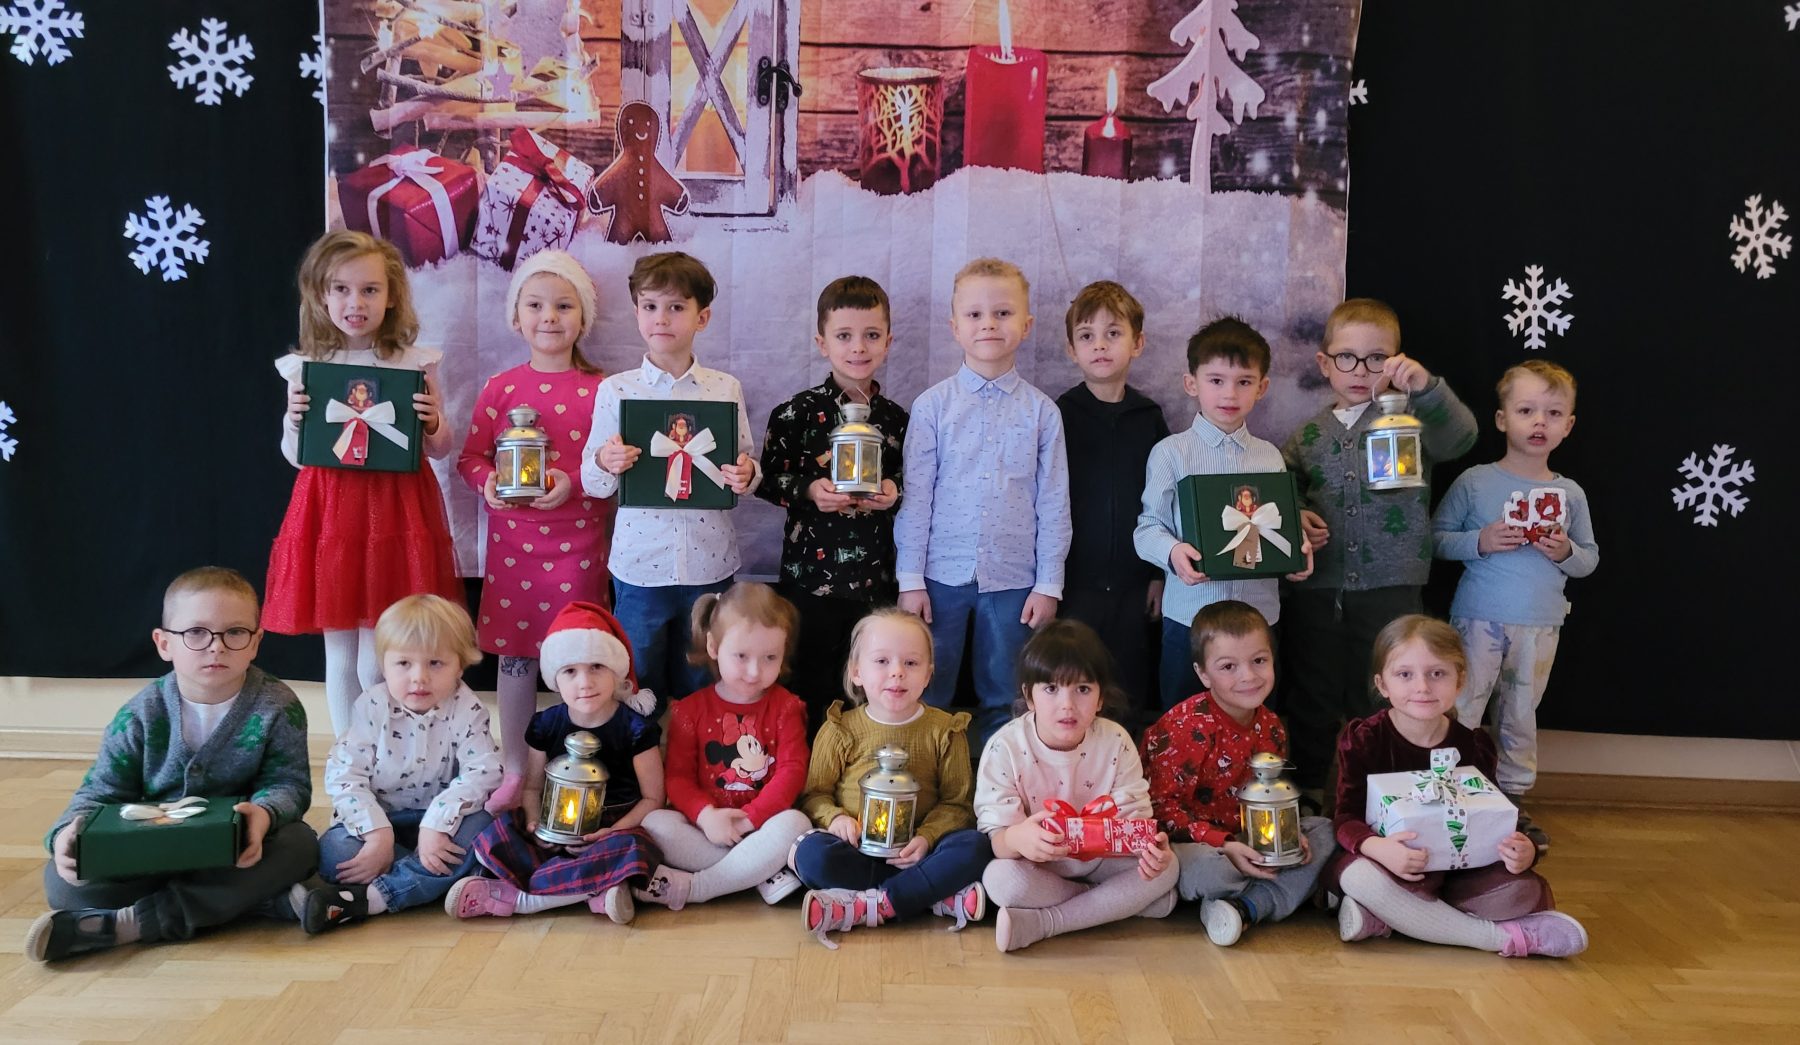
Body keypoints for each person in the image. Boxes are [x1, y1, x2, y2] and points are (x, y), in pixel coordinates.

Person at [27, 568, 316, 962]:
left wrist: (264, 814)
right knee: (63, 882)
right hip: (150, 853)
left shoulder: (278, 706)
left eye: (234, 632)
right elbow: (100, 792)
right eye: (196, 633)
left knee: (300, 846)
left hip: (234, 853)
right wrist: (66, 835)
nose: (216, 647)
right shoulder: (139, 714)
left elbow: (289, 784)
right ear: (164, 644)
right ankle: (248, 904)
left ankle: (132, 924)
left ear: (255, 642)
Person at [1280, 298, 1477, 809]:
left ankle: (1390, 787)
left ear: (1395, 362)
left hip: (1393, 586)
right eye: (1347, 357)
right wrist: (1298, 515)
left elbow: (1462, 438)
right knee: (1314, 689)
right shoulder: (1307, 435)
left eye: (1376, 359)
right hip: (1320, 588)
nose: (1360, 370)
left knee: (1386, 689)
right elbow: (1283, 490)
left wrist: (1426, 387)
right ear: (1325, 363)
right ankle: (1308, 789)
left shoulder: (1411, 420)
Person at [266, 230, 463, 737]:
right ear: (321, 295)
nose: (356, 303)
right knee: (339, 655)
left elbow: (440, 448)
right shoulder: (307, 367)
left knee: (380, 655)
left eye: (370, 290)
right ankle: (346, 755)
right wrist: (293, 420)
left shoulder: (415, 362)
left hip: (397, 508)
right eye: (342, 289)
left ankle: (384, 749)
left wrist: (433, 421)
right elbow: (297, 457)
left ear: (391, 296)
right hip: (332, 511)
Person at [1327, 615, 1587, 958]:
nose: (1422, 687)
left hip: (1460, 872)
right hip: (1391, 864)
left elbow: (1498, 814)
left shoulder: (1474, 745)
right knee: (1358, 878)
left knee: (1520, 891)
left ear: (1460, 680)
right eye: (1405, 675)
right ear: (1382, 684)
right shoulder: (1364, 740)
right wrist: (1378, 848)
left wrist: (1526, 849)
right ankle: (1501, 938)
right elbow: (1344, 817)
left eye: (1437, 674)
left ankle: (1388, 917)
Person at [457, 251, 614, 814]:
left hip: (580, 545)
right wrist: (488, 484)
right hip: (514, 548)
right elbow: (471, 458)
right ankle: (516, 769)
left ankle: (580, 763)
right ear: (516, 316)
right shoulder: (500, 388)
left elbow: (615, 469)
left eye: (564, 306)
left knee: (581, 657)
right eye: (536, 305)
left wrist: (573, 483)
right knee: (516, 660)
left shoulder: (604, 391)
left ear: (583, 318)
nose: (550, 317)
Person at [894, 257, 1071, 743]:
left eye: (1003, 313)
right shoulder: (933, 407)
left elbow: (1054, 503)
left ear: (1026, 325)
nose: (989, 324)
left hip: (1015, 579)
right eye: (974, 315)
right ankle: (924, 774)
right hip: (938, 576)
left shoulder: (1042, 413)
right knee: (927, 687)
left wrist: (1049, 584)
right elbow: (916, 499)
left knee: (1008, 691)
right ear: (955, 327)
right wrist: (910, 579)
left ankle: (1000, 779)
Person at [580, 252, 760, 708]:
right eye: (650, 306)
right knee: (635, 677)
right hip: (640, 566)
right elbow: (594, 483)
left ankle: (693, 751)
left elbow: (744, 462)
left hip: (710, 562)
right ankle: (641, 753)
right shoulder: (616, 390)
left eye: (676, 307)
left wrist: (747, 474)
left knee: (704, 676)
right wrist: (605, 460)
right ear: (636, 312)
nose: (661, 318)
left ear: (703, 317)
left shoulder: (724, 388)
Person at [1433, 360, 1596, 851]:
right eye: (1527, 410)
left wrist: (1565, 551)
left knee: (1521, 714)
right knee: (1462, 706)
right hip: (1477, 617)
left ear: (1569, 425)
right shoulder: (1475, 482)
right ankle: (1448, 793)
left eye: (1553, 413)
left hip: (1540, 624)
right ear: (1502, 419)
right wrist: (1480, 541)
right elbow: (1435, 539)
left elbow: (1589, 560)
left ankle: (1511, 802)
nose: (1539, 422)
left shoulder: (1569, 494)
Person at [1134, 317, 1314, 710]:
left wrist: (1297, 550)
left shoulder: (1269, 456)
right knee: (1185, 719)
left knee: (1254, 718)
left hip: (1257, 619)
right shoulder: (1171, 453)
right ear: (1191, 383)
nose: (1229, 393)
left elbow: (1277, 523)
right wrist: (1172, 552)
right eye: (1216, 380)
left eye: (1244, 381)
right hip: (1190, 617)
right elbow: (1147, 527)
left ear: (1262, 387)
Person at [446, 602, 663, 923]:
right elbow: (533, 787)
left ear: (616, 672)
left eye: (596, 667)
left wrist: (613, 830)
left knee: (634, 847)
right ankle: (596, 889)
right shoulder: (546, 724)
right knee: (501, 830)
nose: (585, 682)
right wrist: (536, 823)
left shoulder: (635, 728)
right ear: (555, 679)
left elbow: (653, 798)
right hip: (556, 819)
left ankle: (518, 899)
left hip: (615, 823)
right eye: (570, 671)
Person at [756, 276, 907, 733]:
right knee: (810, 686)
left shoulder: (899, 421)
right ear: (822, 343)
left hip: (876, 582)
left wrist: (894, 491)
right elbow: (765, 480)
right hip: (809, 581)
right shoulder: (795, 414)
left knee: (870, 687)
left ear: (888, 341)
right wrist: (809, 490)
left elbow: (918, 484)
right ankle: (808, 769)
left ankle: (861, 764)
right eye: (844, 336)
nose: (858, 347)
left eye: (871, 335)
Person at [790, 608, 991, 948]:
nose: (897, 672)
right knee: (810, 853)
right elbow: (814, 795)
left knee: (975, 846)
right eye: (882, 661)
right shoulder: (840, 729)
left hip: (923, 852)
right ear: (856, 672)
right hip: (857, 850)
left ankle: (869, 904)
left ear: (928, 675)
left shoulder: (946, 730)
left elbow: (957, 804)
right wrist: (836, 818)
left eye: (911, 663)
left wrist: (926, 837)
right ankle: (930, 896)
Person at [1141, 601, 1336, 946]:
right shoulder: (1185, 727)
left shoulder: (1272, 727)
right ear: (1203, 674)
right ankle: (1268, 896)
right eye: (1228, 666)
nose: (1248, 676)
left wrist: (1287, 834)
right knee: (1212, 870)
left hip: (1250, 838)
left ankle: (1244, 906)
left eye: (1259, 661)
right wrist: (1226, 845)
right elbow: (1161, 812)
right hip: (1200, 846)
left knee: (1324, 832)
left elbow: (1271, 797)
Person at [976, 619, 1178, 952]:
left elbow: (1135, 826)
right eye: (1051, 689)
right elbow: (999, 842)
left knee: (1169, 868)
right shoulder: (1005, 747)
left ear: (1100, 698)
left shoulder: (1116, 741)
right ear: (1029, 696)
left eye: (1082, 689)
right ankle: (1111, 904)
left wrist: (1152, 851)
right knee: (1000, 880)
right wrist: (1016, 837)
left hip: (1104, 860)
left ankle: (1046, 923)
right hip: (1041, 867)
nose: (1067, 705)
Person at [303, 594, 500, 932]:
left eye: (435, 663)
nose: (419, 677)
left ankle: (372, 898)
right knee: (334, 852)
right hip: (382, 821)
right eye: (404, 664)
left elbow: (484, 771)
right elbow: (344, 776)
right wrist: (377, 835)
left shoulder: (467, 709)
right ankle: (428, 878)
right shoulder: (371, 706)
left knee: (484, 829)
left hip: (441, 823)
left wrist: (436, 824)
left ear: (460, 665)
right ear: (384, 665)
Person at [635, 583, 813, 910]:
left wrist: (750, 820)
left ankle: (699, 887)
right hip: (707, 830)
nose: (755, 671)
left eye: (770, 657)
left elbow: (792, 771)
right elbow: (678, 778)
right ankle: (759, 873)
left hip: (763, 826)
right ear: (713, 646)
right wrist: (706, 817)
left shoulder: (786, 707)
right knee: (655, 824)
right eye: (742, 656)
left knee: (797, 824)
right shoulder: (689, 710)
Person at [1055, 280, 1169, 725]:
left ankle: (1125, 765)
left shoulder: (1149, 418)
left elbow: (1166, 501)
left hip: (1134, 584)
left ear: (1137, 343)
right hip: (1073, 582)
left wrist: (1158, 574)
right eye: (1087, 336)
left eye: (1113, 333)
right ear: (1072, 350)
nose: (1100, 345)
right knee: (1073, 680)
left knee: (1126, 685)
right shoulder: (1059, 415)